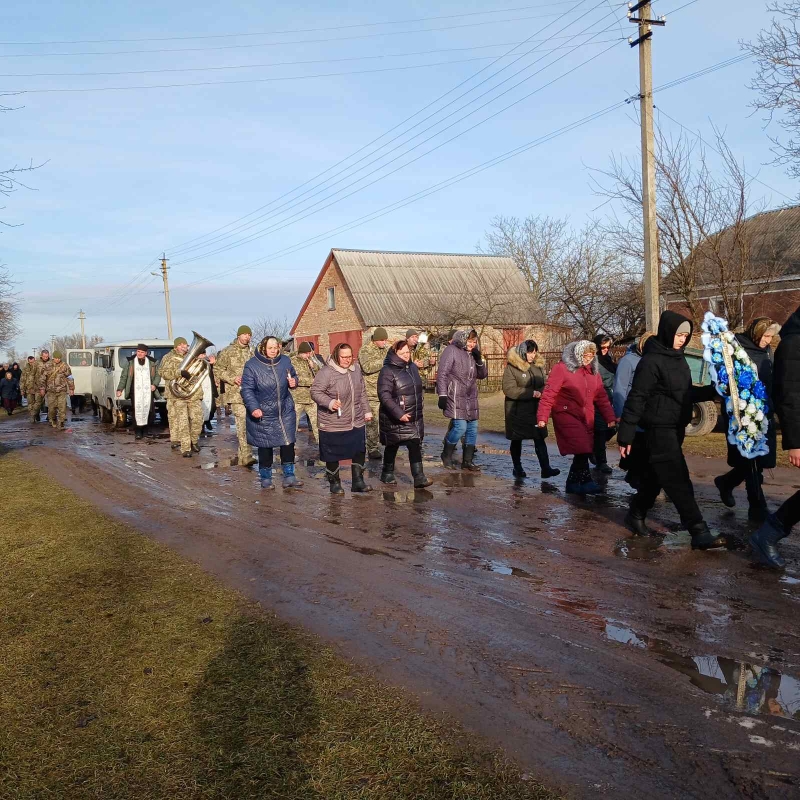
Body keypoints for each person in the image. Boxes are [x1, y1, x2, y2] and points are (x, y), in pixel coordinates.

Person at [617, 311, 726, 550]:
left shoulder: (679, 358)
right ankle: (698, 531)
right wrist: (625, 434)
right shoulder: (651, 361)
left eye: (686, 335)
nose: (682, 339)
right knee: (678, 480)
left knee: (655, 479)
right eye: (679, 334)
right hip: (658, 429)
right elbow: (637, 398)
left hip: (676, 428)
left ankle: (635, 514)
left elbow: (686, 394)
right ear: (667, 332)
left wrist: (714, 391)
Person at [713, 317, 780, 521]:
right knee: (752, 461)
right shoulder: (737, 350)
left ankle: (726, 482)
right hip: (743, 414)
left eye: (771, 337)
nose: (768, 340)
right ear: (756, 333)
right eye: (765, 336)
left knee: (757, 461)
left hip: (763, 411)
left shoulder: (766, 352)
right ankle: (757, 507)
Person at [749, 305, 800, 568]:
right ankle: (768, 534)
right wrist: (795, 442)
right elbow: (789, 397)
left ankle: (768, 533)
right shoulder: (793, 344)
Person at [537, 340, 616, 494]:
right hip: (566, 413)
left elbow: (601, 397)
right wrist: (542, 417)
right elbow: (549, 394)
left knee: (585, 448)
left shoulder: (593, 372)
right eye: (585, 356)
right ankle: (583, 480)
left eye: (591, 356)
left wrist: (609, 417)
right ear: (578, 354)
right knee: (582, 446)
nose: (588, 359)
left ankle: (575, 481)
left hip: (586, 415)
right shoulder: (562, 368)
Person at [311, 342, 373, 495]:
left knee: (359, 451)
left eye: (350, 356)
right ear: (336, 356)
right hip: (333, 422)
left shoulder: (356, 370)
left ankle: (358, 482)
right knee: (332, 453)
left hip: (355, 420)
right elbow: (315, 392)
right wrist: (330, 402)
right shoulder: (327, 372)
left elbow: (362, 393)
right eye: (343, 357)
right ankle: (335, 483)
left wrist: (367, 411)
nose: (347, 360)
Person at [240, 335, 301, 490]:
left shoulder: (285, 361)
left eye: (276, 347)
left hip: (284, 410)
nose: (274, 351)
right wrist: (253, 408)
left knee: (288, 443)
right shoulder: (252, 365)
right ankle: (266, 477)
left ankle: (289, 475)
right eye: (270, 348)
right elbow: (247, 389)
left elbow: (293, 376)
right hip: (263, 412)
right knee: (265, 446)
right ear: (263, 348)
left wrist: (294, 381)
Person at [377, 339, 432, 488]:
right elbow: (384, 395)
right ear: (395, 353)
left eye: (408, 352)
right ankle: (387, 473)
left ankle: (419, 477)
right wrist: (398, 413)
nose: (406, 356)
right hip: (394, 416)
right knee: (392, 445)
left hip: (413, 415)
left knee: (415, 443)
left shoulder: (412, 367)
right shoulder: (387, 371)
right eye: (402, 353)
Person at [503, 339, 560, 480]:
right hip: (517, 410)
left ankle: (545, 469)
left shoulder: (537, 366)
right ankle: (517, 467)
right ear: (523, 352)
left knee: (539, 437)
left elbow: (543, 383)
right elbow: (509, 389)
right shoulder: (512, 367)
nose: (532, 355)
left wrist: (542, 391)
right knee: (517, 439)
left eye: (534, 352)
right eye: (530, 352)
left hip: (536, 409)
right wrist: (531, 393)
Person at [437, 329, 488, 471]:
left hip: (471, 395)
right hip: (455, 394)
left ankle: (467, 461)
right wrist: (442, 394)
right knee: (460, 427)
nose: (472, 344)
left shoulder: (473, 354)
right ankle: (446, 454)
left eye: (474, 341)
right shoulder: (451, 350)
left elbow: (483, 375)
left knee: (472, 428)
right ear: (463, 340)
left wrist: (479, 360)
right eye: (470, 341)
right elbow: (442, 374)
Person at [612, 332, 655, 489]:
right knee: (636, 447)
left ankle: (636, 476)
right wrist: (620, 414)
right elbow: (619, 389)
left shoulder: (651, 361)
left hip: (647, 414)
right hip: (632, 413)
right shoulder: (628, 361)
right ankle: (636, 479)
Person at [215, 326, 256, 467]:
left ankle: (242, 453)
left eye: (249, 335)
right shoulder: (228, 351)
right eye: (244, 334)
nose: (247, 337)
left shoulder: (253, 352)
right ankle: (247, 455)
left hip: (252, 393)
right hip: (235, 393)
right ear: (239, 335)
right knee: (243, 421)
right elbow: (218, 369)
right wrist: (232, 378)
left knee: (251, 423)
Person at [159, 337, 204, 458]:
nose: (185, 347)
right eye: (182, 344)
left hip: (193, 393)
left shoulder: (193, 357)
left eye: (186, 344)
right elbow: (163, 373)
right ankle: (185, 448)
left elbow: (199, 374)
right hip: (177, 394)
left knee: (197, 420)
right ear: (176, 346)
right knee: (182, 421)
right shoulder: (168, 357)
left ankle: (193, 440)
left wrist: (203, 365)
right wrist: (179, 372)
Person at [358, 327, 390, 459]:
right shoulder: (365, 350)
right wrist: (384, 362)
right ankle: (372, 448)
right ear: (375, 340)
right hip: (371, 391)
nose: (384, 342)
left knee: (386, 420)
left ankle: (388, 443)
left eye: (385, 340)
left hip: (386, 390)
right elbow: (367, 367)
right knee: (372, 421)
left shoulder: (386, 350)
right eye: (382, 340)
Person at [116, 344, 159, 440]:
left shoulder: (152, 362)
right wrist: (120, 389)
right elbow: (124, 376)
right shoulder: (130, 362)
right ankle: (138, 431)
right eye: (138, 351)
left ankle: (146, 431)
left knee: (149, 410)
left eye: (142, 352)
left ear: (146, 353)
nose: (139, 354)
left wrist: (154, 384)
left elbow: (157, 375)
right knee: (136, 410)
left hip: (148, 391)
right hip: (134, 390)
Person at [592, 335, 617, 474]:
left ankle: (594, 449)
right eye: (603, 347)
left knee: (614, 427)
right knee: (601, 429)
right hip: (597, 400)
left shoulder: (608, 359)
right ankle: (602, 462)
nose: (605, 350)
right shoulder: (593, 362)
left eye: (608, 347)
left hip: (610, 399)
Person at [290, 342, 322, 442]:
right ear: (301, 352)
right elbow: (296, 379)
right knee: (292, 426)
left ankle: (324, 450)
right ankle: (290, 449)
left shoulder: (311, 361)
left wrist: (314, 367)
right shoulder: (292, 362)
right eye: (306, 353)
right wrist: (313, 382)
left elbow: (320, 376)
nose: (308, 355)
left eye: (310, 353)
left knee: (318, 426)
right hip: (297, 399)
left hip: (311, 399)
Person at [39, 351, 74, 429]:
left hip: (62, 390)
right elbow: (42, 378)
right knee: (52, 408)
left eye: (59, 358)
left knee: (62, 407)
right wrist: (42, 388)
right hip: (51, 391)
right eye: (56, 358)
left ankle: (61, 422)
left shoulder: (64, 366)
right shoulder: (47, 365)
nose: (57, 359)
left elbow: (70, 377)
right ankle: (53, 420)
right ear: (53, 357)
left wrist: (71, 389)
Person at [26, 350, 50, 423]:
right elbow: (32, 375)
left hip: (50, 386)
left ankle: (50, 417)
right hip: (38, 386)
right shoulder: (36, 363)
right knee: (38, 402)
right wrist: (30, 386)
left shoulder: (51, 363)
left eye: (47, 356)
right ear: (41, 356)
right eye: (44, 356)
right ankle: (33, 415)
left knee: (51, 402)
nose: (45, 358)